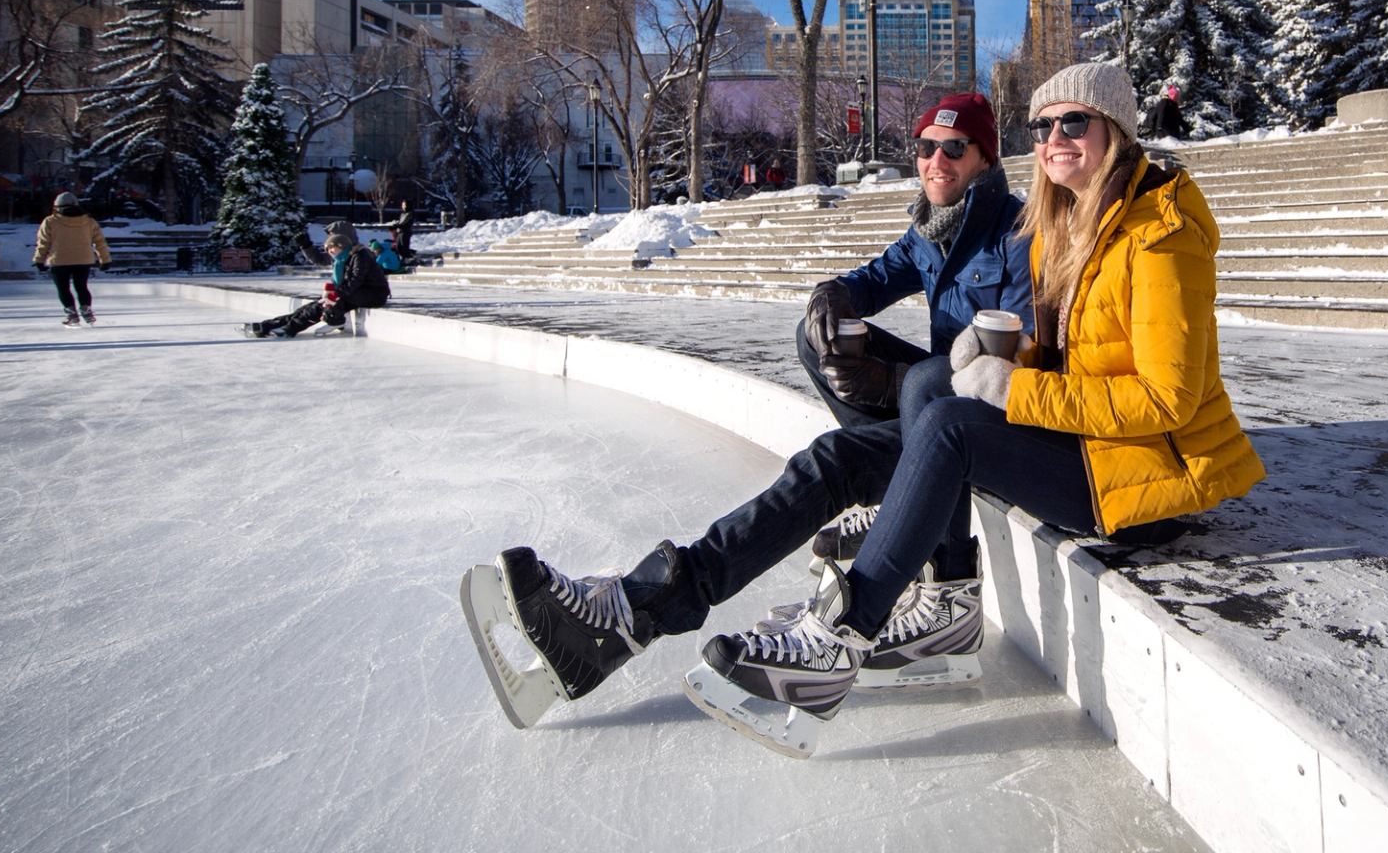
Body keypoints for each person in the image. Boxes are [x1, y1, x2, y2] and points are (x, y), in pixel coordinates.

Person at [472, 64, 1265, 756]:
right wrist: (845, 309)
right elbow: (1019, 338)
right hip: (1061, 432)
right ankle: (634, 610)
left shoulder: (1149, 235)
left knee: (938, 406)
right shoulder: (1070, 221)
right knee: (839, 456)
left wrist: (1000, 383)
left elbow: (1162, 397)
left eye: (1075, 123)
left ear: (1116, 131)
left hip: (1135, 476)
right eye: (1046, 125)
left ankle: (847, 636)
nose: (1056, 137)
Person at [794, 90, 1032, 565]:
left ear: (985, 158)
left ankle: (938, 555)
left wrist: (893, 384)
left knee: (923, 382)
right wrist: (833, 293)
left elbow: (1018, 365)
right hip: (936, 386)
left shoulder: (1019, 232)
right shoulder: (928, 230)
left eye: (955, 148)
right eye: (926, 148)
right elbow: (876, 278)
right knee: (817, 332)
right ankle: (895, 487)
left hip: (991, 410)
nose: (936, 160)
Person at [244, 225, 390, 338]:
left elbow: (356, 280)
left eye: (332, 248)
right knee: (312, 307)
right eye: (328, 249)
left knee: (323, 304)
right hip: (355, 293)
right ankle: (268, 326)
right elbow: (322, 262)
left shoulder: (360, 255)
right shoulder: (341, 259)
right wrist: (330, 295)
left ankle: (293, 328)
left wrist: (333, 296)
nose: (330, 252)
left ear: (341, 245)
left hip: (373, 294)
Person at [34, 191, 111, 326]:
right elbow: (100, 242)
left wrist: (39, 260)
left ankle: (72, 314)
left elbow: (43, 242)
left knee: (63, 289)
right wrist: (105, 260)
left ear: (57, 206)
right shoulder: (89, 221)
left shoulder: (50, 221)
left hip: (59, 260)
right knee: (81, 286)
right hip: (83, 260)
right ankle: (86, 310)